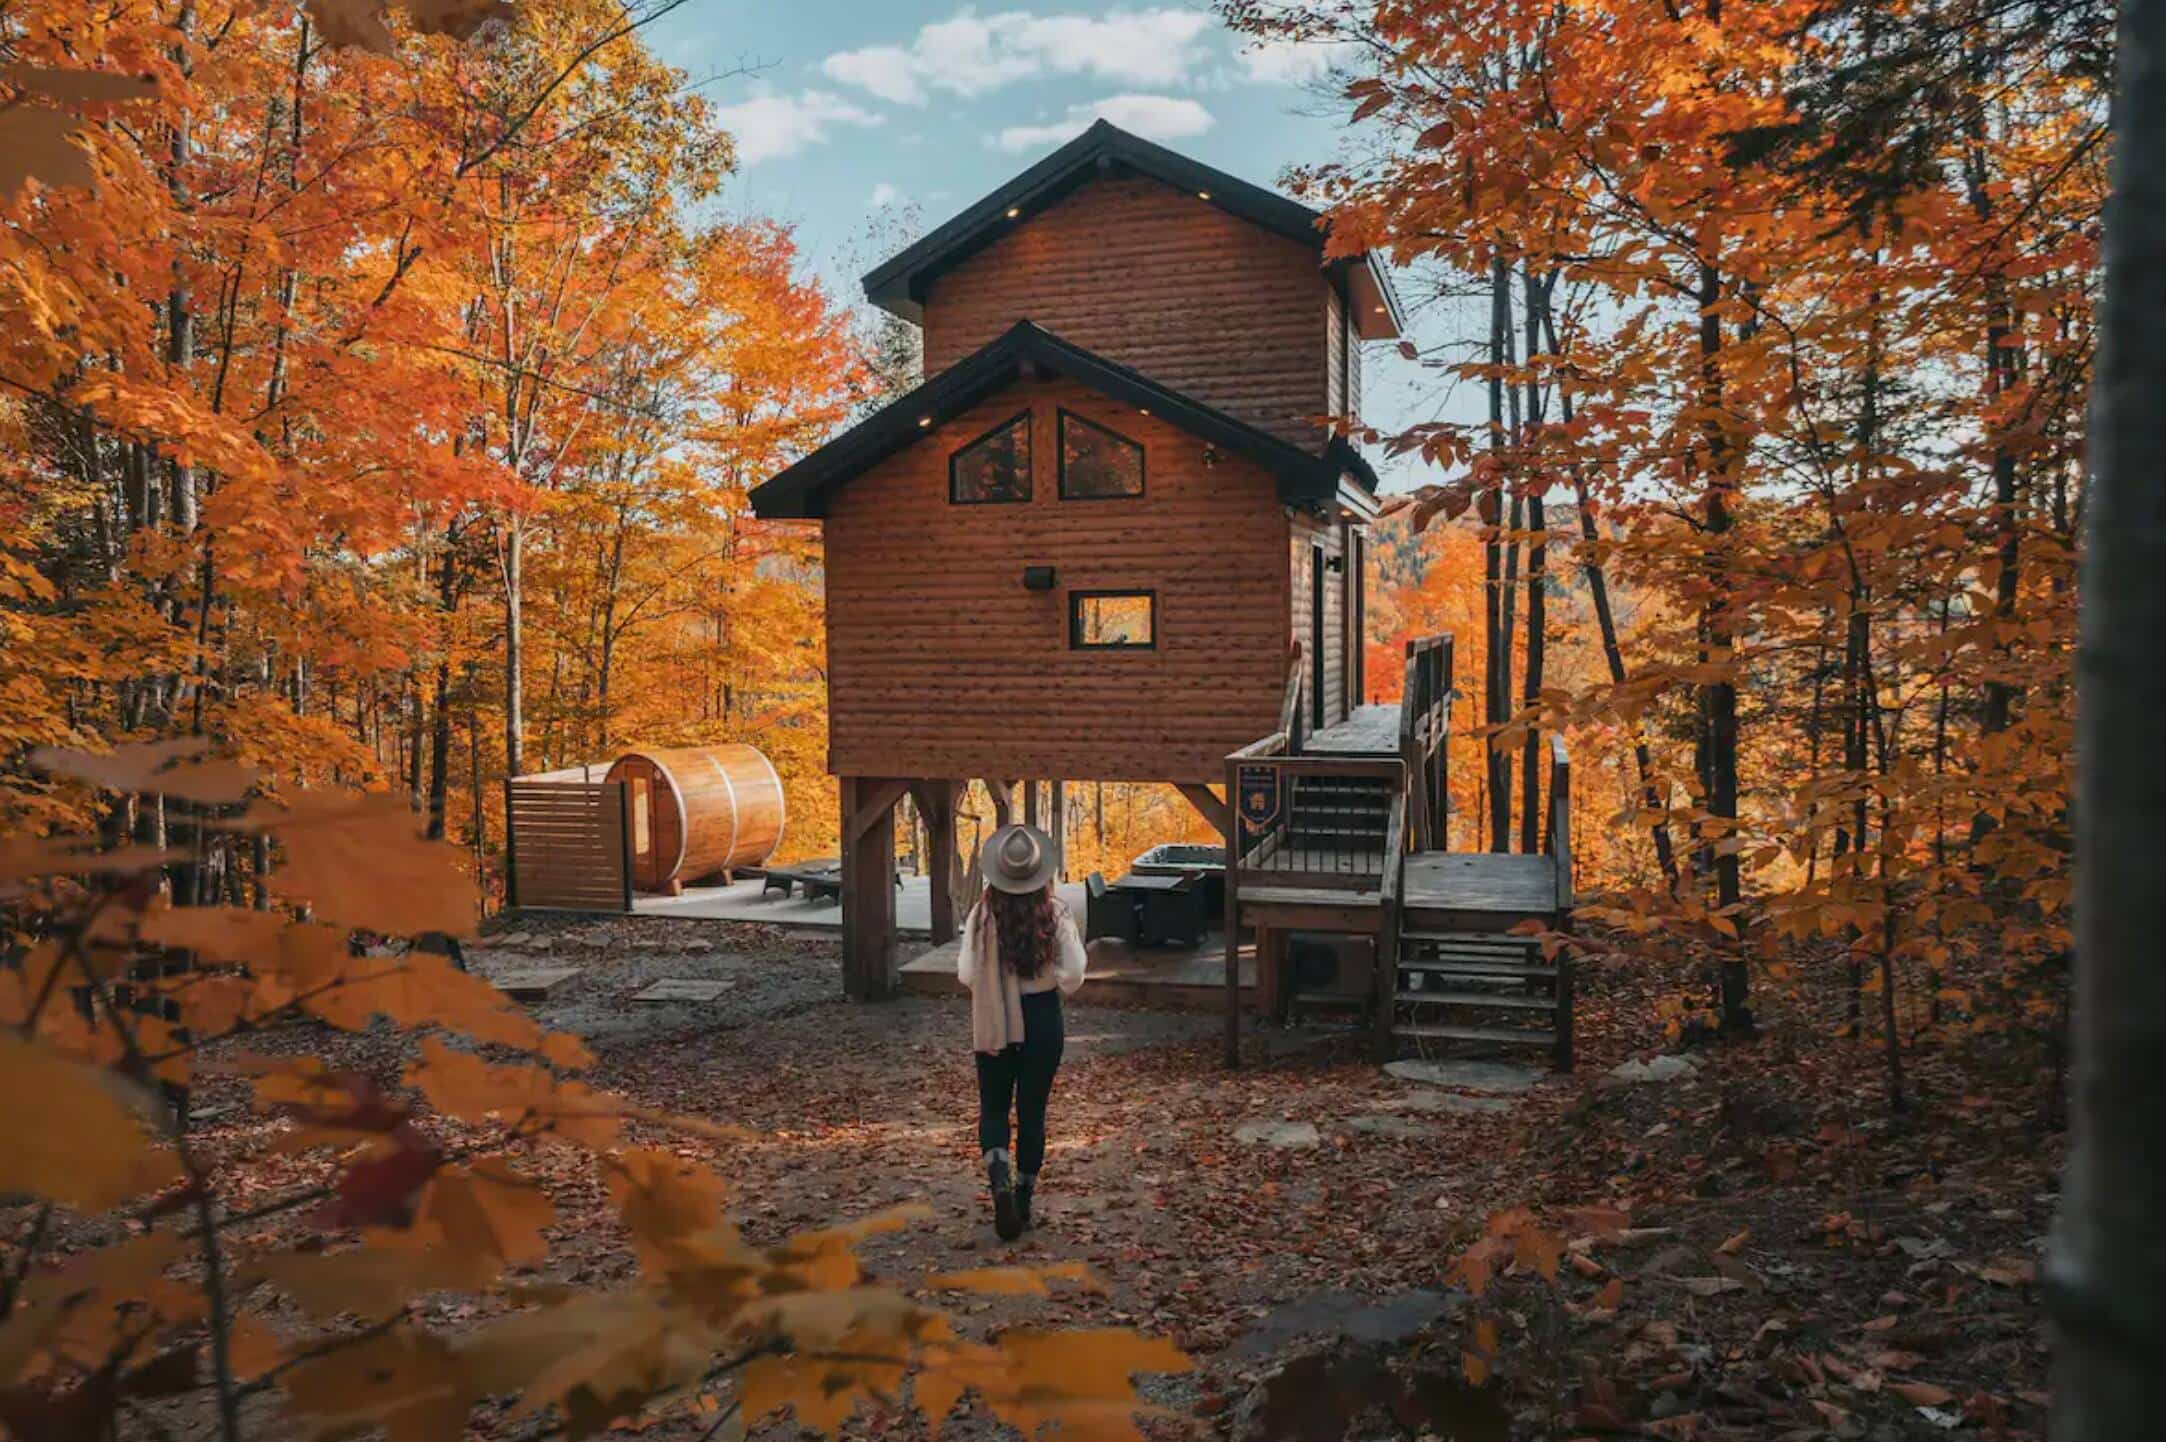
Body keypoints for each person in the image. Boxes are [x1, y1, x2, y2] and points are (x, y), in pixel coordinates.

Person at [956, 823, 1087, 1240]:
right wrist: (1047, 977)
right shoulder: (1056, 912)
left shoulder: (981, 916)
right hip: (1042, 1018)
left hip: (994, 1019)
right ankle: (1024, 1199)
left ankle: (1000, 1184)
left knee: (994, 1108)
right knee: (1033, 1112)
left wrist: (996, 987)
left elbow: (965, 973)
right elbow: (1074, 974)